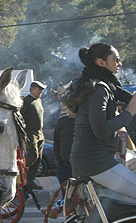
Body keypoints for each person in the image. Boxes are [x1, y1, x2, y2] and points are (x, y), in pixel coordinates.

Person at [70, 43, 136, 204]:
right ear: (101, 62)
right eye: (116, 59)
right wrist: (129, 112)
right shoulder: (100, 89)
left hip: (94, 159)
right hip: (96, 162)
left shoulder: (99, 87)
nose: (119, 63)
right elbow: (100, 129)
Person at [21, 80, 47, 190]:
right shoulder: (26, 101)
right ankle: (21, 174)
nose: (41, 91)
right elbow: (20, 117)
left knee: (38, 158)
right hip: (30, 132)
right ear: (32, 89)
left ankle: (30, 180)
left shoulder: (38, 100)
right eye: (39, 89)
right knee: (33, 154)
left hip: (39, 132)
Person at [53, 108, 75, 188]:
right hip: (63, 163)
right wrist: (57, 159)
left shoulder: (84, 121)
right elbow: (56, 141)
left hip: (79, 164)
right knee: (65, 190)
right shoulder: (62, 121)